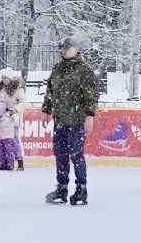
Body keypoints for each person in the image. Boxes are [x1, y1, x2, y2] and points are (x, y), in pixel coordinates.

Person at [43, 36, 100, 205]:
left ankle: (81, 189)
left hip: (76, 120)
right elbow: (50, 90)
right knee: (60, 155)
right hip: (60, 119)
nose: (64, 50)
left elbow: (92, 95)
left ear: (77, 49)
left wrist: (89, 115)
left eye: (68, 47)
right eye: (62, 47)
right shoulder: (58, 69)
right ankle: (62, 188)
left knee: (76, 155)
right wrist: (46, 109)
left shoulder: (84, 71)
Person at [0, 72, 24, 171]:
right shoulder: (0, 89)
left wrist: (15, 109)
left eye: (6, 78)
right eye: (3, 78)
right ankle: (3, 162)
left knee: (14, 139)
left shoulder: (18, 89)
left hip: (12, 117)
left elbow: (22, 102)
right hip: (1, 118)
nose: (5, 80)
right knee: (1, 140)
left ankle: (19, 161)